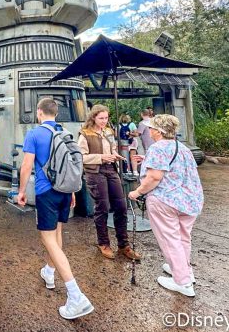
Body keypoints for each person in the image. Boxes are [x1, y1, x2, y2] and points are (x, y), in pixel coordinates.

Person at [18, 97, 94, 320]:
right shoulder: (65, 133)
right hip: (65, 190)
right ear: (56, 113)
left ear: (39, 112)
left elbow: (27, 165)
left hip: (46, 191)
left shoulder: (34, 134)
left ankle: (75, 295)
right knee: (57, 232)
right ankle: (49, 272)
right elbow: (69, 164)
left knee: (48, 239)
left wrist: (21, 191)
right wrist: (72, 191)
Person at [128, 114, 203, 297]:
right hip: (190, 200)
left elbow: (154, 177)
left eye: (151, 128)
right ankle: (185, 271)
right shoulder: (182, 147)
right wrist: (147, 158)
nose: (149, 131)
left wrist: (137, 192)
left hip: (166, 200)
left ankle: (182, 282)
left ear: (158, 131)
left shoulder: (157, 148)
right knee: (183, 237)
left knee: (170, 240)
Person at [78, 105, 142, 261]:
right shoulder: (85, 134)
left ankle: (123, 245)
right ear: (93, 117)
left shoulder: (108, 131)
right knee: (102, 208)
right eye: (101, 118)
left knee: (121, 206)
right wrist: (101, 157)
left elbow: (112, 148)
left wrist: (115, 155)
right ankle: (104, 243)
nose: (104, 121)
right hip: (95, 172)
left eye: (106, 118)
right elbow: (80, 157)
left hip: (111, 169)